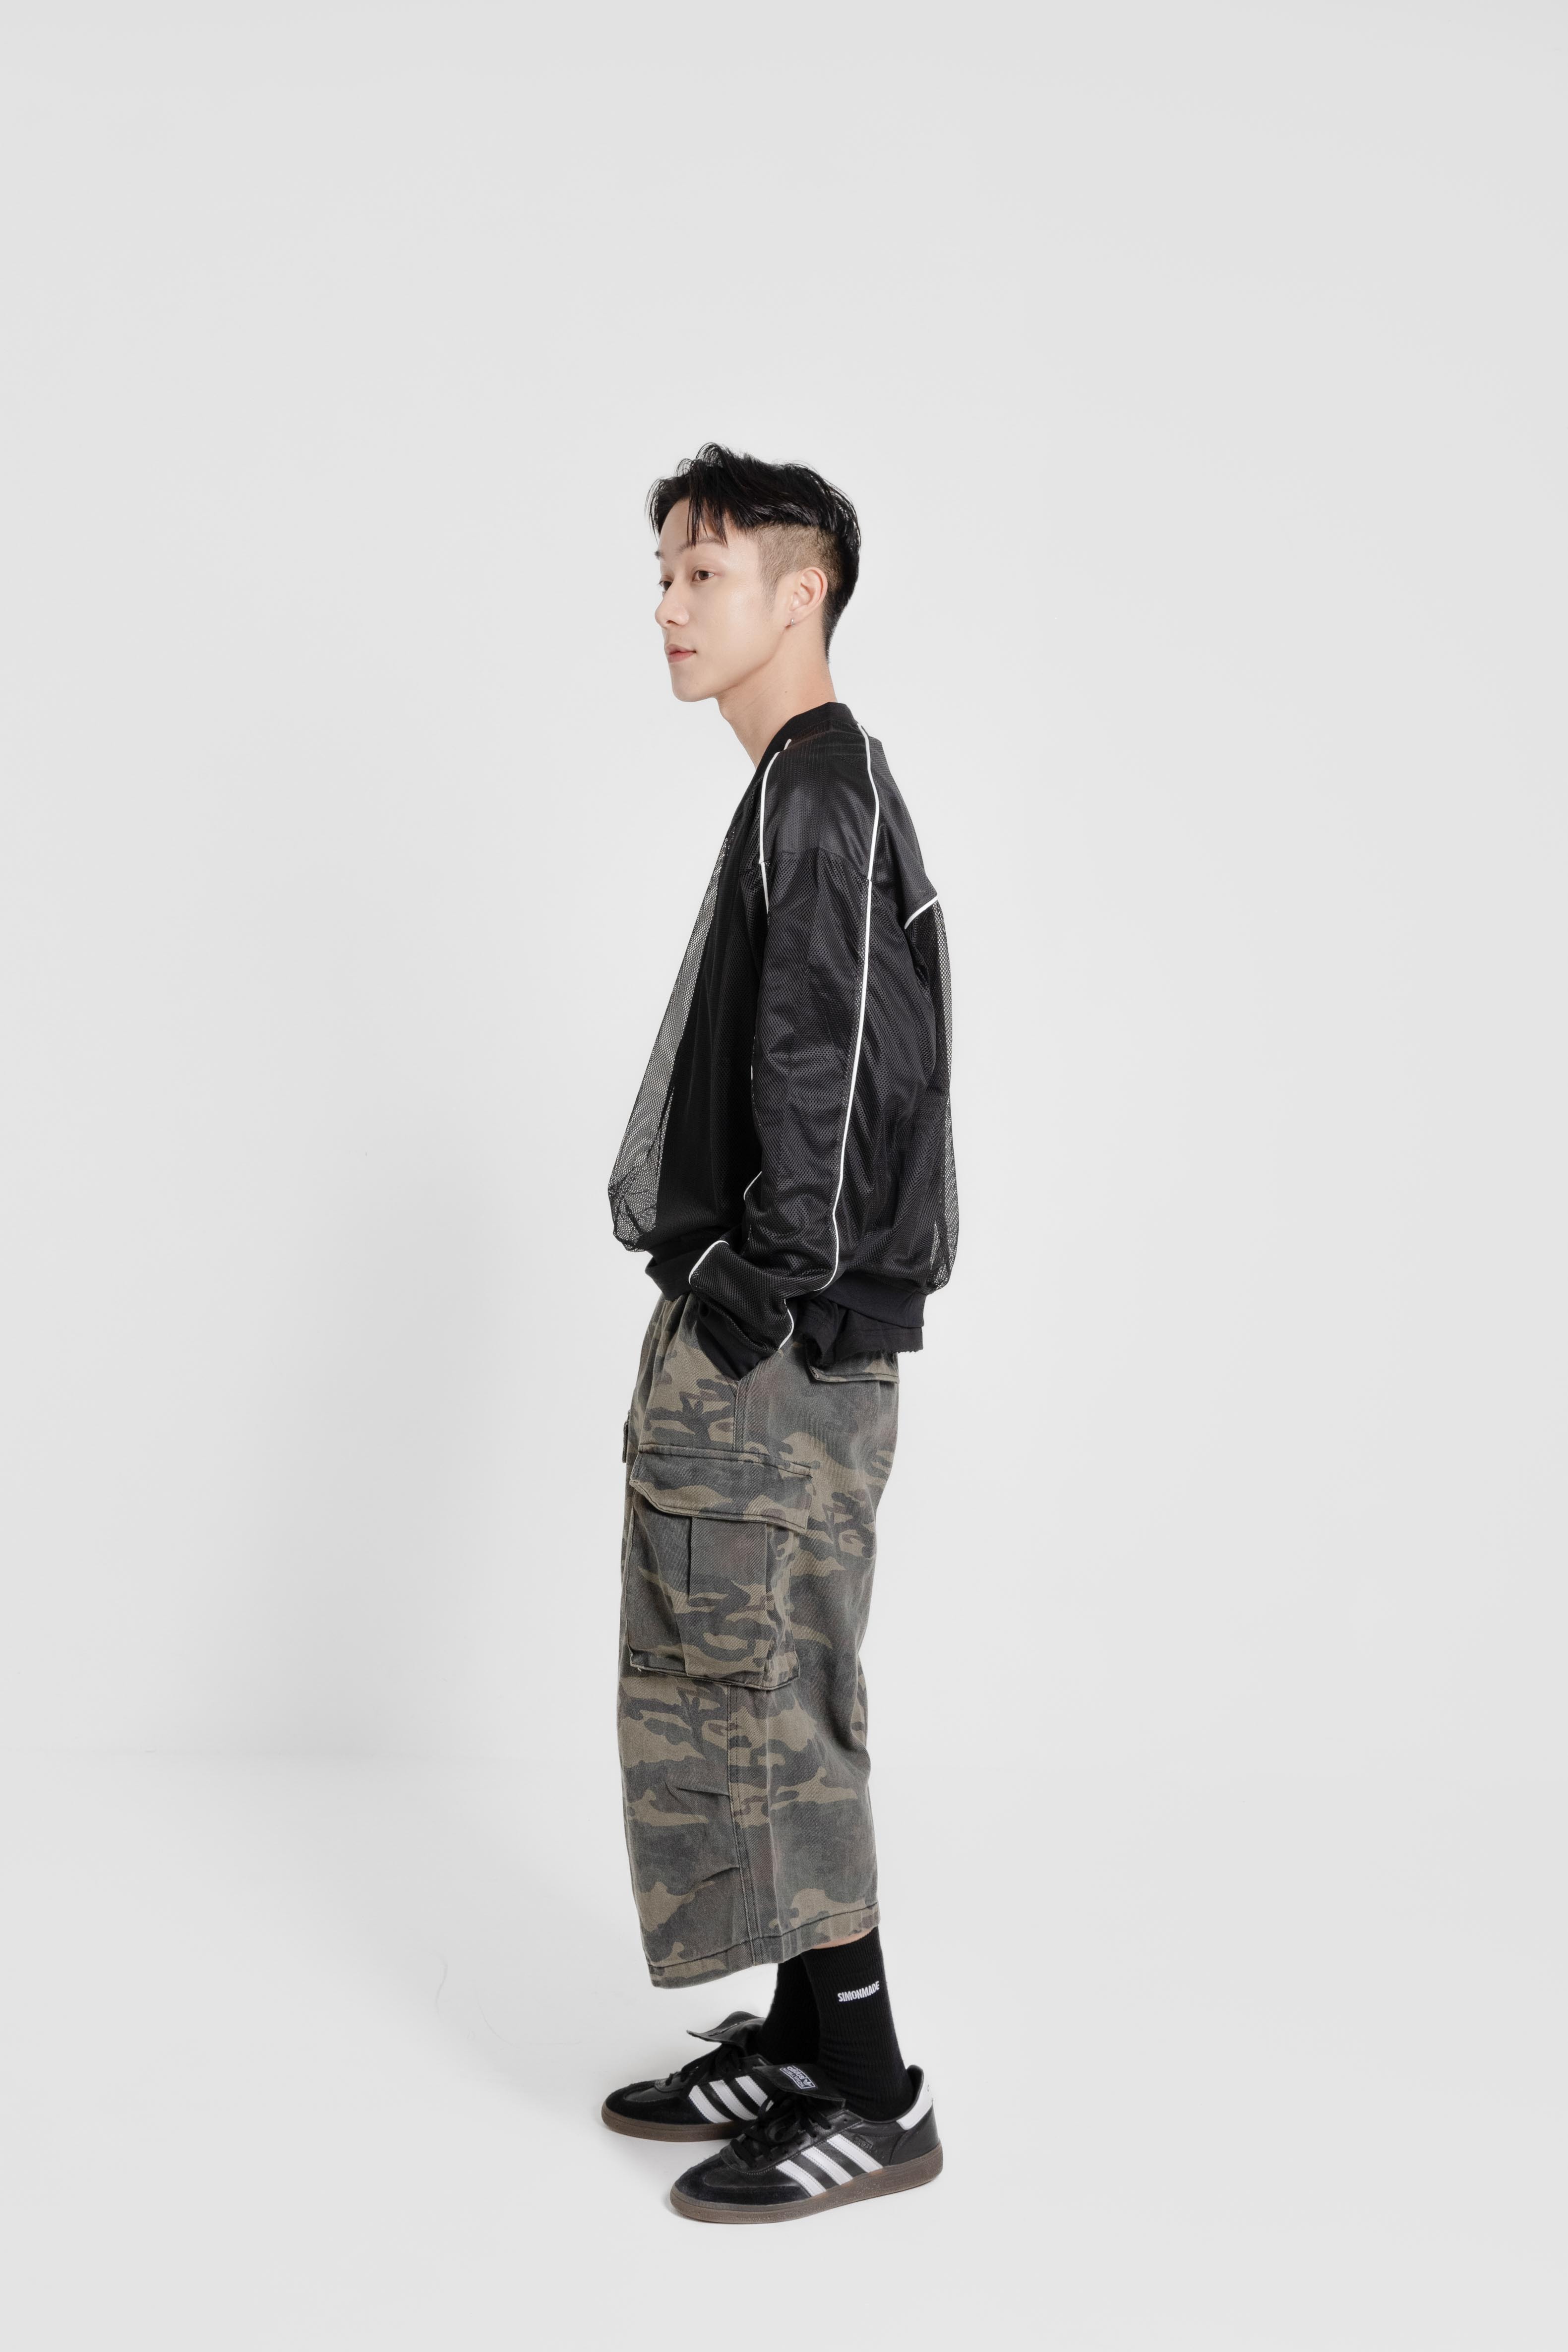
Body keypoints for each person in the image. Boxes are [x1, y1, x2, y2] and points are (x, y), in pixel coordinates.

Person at [603, 443, 958, 2223]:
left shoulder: (819, 791)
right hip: (782, 1335)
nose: (669, 609)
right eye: (663, 576)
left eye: (704, 575)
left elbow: (826, 1064)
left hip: (783, 1348)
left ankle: (875, 2094)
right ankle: (808, 2041)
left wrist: (750, 1294)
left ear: (799, 594)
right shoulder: (803, 791)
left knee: (777, 1703)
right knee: (740, 1685)